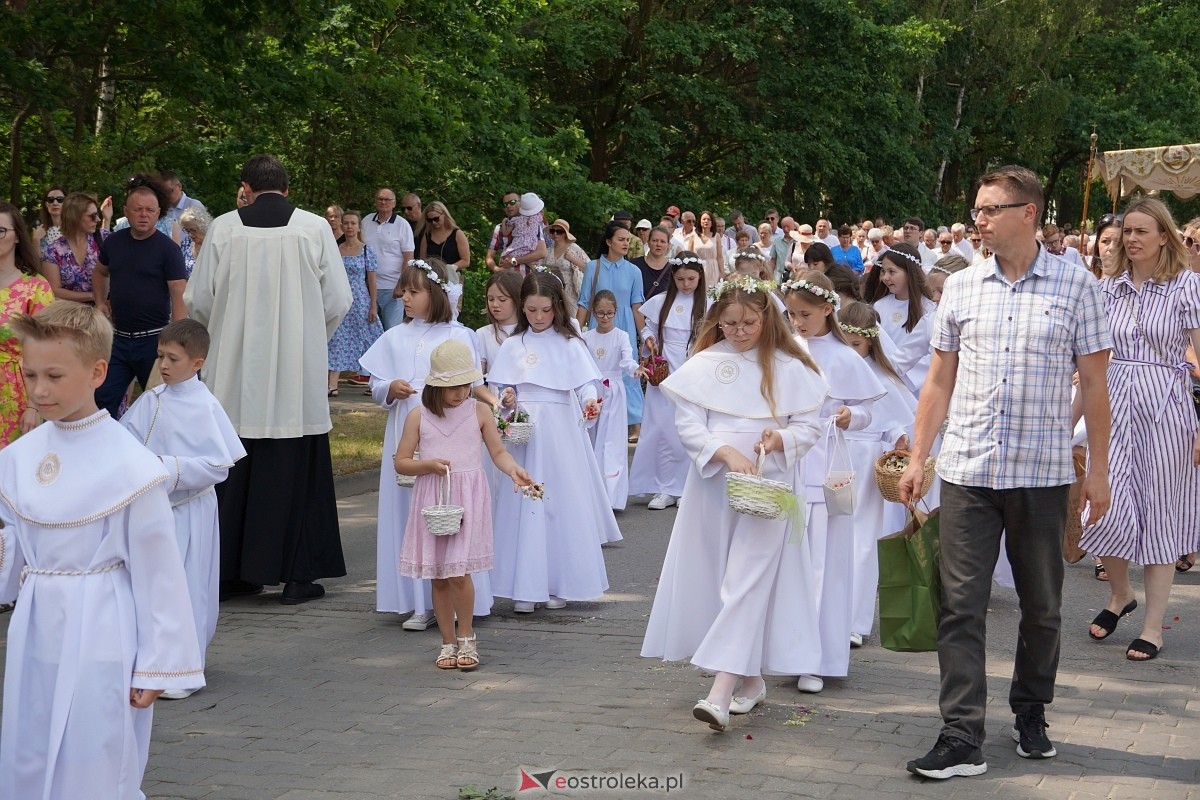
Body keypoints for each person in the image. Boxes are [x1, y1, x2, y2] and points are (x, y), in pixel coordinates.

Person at [898, 165, 1112, 780]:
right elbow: (938, 381)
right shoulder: (962, 287)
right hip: (968, 470)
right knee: (960, 606)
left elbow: (1095, 385)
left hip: (1042, 474)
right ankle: (961, 734)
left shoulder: (1077, 286)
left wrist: (1097, 470)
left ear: (1028, 213)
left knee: (1041, 606)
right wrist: (919, 457)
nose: (979, 220)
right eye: (977, 210)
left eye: (990, 209)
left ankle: (1031, 710)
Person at [0, 300, 202, 799]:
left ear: (97, 372)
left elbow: (159, 572)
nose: (39, 390)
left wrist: (158, 661)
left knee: (95, 744)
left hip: (101, 622)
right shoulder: (20, 457)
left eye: (54, 376)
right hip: (36, 621)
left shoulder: (129, 465)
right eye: (30, 375)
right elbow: (14, 541)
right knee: (30, 737)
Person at [640, 273, 828, 732]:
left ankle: (719, 692)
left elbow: (808, 427)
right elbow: (689, 424)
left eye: (748, 323)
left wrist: (779, 439)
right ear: (716, 321)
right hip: (715, 485)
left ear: (767, 319)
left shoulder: (790, 365)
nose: (739, 332)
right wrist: (724, 452)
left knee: (748, 579)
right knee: (721, 577)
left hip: (770, 484)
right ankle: (751, 680)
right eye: (729, 324)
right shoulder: (704, 363)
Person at [186, 153, 353, 605]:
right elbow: (339, 299)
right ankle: (298, 576)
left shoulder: (224, 228)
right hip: (296, 376)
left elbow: (198, 299)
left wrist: (221, 335)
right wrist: (308, 337)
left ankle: (230, 574)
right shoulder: (313, 228)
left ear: (246, 188)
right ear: (286, 187)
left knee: (234, 469)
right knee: (296, 471)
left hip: (233, 371)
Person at [1079, 198, 1200, 662]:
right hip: (1110, 405)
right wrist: (1066, 422)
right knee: (1102, 508)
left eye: (1141, 231)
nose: (1130, 239)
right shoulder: (1107, 289)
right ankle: (1120, 594)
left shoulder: (1186, 286)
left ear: (1164, 236)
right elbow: (1091, 366)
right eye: (1126, 231)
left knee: (1160, 514)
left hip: (1165, 409)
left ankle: (1153, 626)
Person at [359, 257, 494, 629]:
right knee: (413, 515)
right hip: (409, 426)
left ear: (435, 294)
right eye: (403, 290)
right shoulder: (395, 336)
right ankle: (419, 601)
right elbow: (375, 384)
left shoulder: (458, 335)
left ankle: (462, 600)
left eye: (413, 291)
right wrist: (390, 387)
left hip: (450, 433)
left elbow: (472, 384)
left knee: (451, 512)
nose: (404, 297)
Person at [120, 319, 246, 700]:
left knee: (187, 585)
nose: (163, 365)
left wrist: (168, 467)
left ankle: (184, 668)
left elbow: (218, 466)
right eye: (160, 356)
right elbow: (125, 442)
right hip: (152, 509)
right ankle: (150, 662)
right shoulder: (151, 401)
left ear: (197, 362)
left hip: (190, 510)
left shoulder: (206, 406)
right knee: (151, 586)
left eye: (173, 359)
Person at [395, 339, 534, 670]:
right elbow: (401, 462)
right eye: (452, 387)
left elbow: (497, 452)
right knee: (438, 576)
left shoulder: (479, 411)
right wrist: (427, 465)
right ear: (435, 386)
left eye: (465, 385)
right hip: (434, 499)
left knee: (459, 572)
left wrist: (513, 469)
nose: (460, 393)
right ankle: (447, 642)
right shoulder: (418, 416)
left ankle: (467, 636)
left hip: (468, 499)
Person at [488, 272, 621, 612]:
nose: (538, 317)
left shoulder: (569, 343)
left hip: (559, 431)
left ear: (557, 307)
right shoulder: (513, 345)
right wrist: (506, 397)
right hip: (525, 435)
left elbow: (585, 383)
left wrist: (590, 401)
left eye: (545, 310)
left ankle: (559, 581)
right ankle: (524, 585)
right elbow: (502, 389)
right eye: (532, 310)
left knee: (557, 501)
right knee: (525, 501)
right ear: (523, 307)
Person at [781, 272, 885, 692]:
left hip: (826, 467)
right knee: (789, 561)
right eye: (791, 314)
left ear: (828, 309)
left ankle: (818, 657)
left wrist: (849, 416)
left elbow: (867, 411)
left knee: (823, 564)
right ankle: (785, 649)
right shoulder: (786, 348)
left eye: (804, 314)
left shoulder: (844, 357)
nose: (797, 322)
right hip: (788, 463)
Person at [838, 301, 916, 645]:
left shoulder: (879, 376)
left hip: (866, 458)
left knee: (863, 539)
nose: (851, 351)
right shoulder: (831, 366)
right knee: (828, 535)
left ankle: (855, 620)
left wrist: (898, 437)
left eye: (856, 344)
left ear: (870, 341)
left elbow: (894, 419)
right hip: (832, 454)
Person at [93, 179, 189, 419]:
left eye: (149, 210)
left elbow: (179, 293)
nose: (144, 215)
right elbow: (100, 272)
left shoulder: (168, 249)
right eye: (138, 209)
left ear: (158, 213)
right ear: (126, 211)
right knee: (100, 400)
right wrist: (100, 301)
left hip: (154, 341)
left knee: (162, 406)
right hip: (118, 339)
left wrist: (175, 340)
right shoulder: (114, 242)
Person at [629, 254, 707, 510]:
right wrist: (649, 339)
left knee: (688, 427)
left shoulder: (707, 304)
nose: (686, 284)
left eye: (691, 279)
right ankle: (663, 487)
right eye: (681, 279)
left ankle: (686, 487)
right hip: (663, 369)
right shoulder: (662, 302)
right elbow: (648, 328)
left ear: (700, 278)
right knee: (661, 428)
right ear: (673, 277)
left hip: (693, 368)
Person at [577, 221, 646, 441]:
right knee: (598, 371)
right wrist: (575, 333)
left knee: (628, 369)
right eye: (621, 239)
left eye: (628, 240)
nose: (626, 243)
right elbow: (584, 302)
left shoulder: (634, 271)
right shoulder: (593, 267)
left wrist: (644, 335)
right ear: (608, 241)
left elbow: (637, 306)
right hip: (598, 326)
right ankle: (596, 414)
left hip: (625, 325)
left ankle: (634, 422)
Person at [582, 289, 647, 510]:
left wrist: (635, 369)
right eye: (600, 313)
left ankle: (611, 497)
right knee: (592, 440)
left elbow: (627, 360)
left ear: (616, 312)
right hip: (592, 391)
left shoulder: (621, 336)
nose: (605, 317)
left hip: (614, 392)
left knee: (612, 443)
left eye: (609, 313)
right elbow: (583, 365)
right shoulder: (586, 338)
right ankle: (592, 494)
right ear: (593, 313)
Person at [0, 201, 55, 448]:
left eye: (1, 231)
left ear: (17, 237)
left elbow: (47, 349)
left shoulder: (35, 287)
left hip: (18, 392)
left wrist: (34, 406)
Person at [863, 243, 936, 396]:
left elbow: (931, 352)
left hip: (913, 385)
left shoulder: (928, 309)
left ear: (909, 272)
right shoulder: (880, 306)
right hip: (884, 379)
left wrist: (905, 375)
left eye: (892, 271)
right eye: (883, 271)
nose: (885, 277)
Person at [327, 209, 384, 396]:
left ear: (359, 227)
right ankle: (332, 385)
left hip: (361, 301)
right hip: (341, 300)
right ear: (342, 226)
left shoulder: (367, 250)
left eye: (353, 223)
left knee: (370, 339)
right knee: (336, 339)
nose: (349, 227)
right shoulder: (336, 250)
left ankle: (375, 383)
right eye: (346, 223)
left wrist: (373, 305)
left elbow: (372, 281)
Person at [40, 190, 110, 303]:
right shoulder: (53, 250)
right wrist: (93, 296)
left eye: (97, 214)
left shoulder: (105, 238)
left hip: (106, 309)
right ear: (75, 217)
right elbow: (53, 290)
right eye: (92, 216)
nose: (98, 219)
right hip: (70, 312)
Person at [362, 187, 415, 329]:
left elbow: (409, 257)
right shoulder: (366, 221)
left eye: (387, 199)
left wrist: (401, 284)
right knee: (368, 329)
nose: (383, 202)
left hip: (392, 288)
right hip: (367, 286)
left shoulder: (402, 225)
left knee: (392, 329)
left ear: (394, 203)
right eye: (380, 199)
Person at [476, 269, 524, 377]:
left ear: (517, 299)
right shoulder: (483, 334)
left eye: (502, 299)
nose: (495, 305)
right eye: (490, 299)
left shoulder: (532, 332)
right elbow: (476, 380)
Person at [542, 218, 589, 314]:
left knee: (571, 318)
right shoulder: (548, 250)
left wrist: (573, 259)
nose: (555, 234)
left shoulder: (574, 248)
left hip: (570, 292)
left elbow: (590, 269)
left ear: (565, 234)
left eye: (559, 232)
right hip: (552, 291)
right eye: (553, 231)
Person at [416, 201, 470, 272]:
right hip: (432, 275)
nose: (433, 222)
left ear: (444, 215)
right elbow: (422, 260)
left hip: (452, 275)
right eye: (430, 220)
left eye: (436, 219)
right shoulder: (427, 236)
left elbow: (466, 261)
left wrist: (447, 268)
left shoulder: (457, 234)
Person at [498, 192, 546, 271]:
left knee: (505, 258)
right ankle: (536, 269)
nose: (509, 206)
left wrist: (504, 222)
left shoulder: (515, 220)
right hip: (531, 245)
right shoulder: (537, 219)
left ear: (520, 204)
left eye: (512, 202)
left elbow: (505, 233)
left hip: (518, 245)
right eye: (506, 204)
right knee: (532, 261)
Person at [683, 210, 724, 286]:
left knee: (713, 291)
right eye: (704, 219)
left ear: (712, 222)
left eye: (708, 219)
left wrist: (722, 273)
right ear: (700, 221)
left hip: (713, 269)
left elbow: (720, 257)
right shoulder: (693, 236)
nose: (706, 221)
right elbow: (689, 256)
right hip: (698, 268)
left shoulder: (716, 236)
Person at [631, 225, 673, 300]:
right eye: (654, 240)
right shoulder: (634, 265)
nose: (658, 244)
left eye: (662, 241)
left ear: (668, 245)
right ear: (648, 242)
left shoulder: (673, 269)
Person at [178, 204, 213, 278]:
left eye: (193, 230)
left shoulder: (214, 243)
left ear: (203, 226)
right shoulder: (186, 243)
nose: (190, 234)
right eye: (187, 230)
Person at [31, 184, 67, 255]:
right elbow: (35, 261)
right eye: (50, 200)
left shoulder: (76, 229)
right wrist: (36, 240)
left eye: (60, 199)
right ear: (46, 204)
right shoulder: (39, 231)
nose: (55, 203)